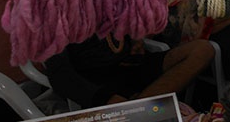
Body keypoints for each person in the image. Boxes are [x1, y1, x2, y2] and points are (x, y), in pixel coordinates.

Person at [44, 33, 214, 109]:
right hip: (97, 82)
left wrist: (135, 38)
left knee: (202, 50)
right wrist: (106, 99)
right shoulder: (55, 7)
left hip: (132, 65)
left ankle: (138, 108)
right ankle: (139, 111)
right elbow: (59, 74)